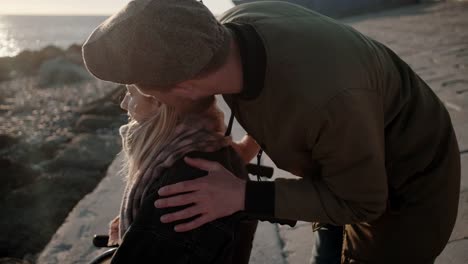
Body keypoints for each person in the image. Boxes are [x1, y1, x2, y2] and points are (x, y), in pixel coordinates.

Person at [82, 0, 461, 263]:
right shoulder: (231, 33)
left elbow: (363, 202)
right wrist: (242, 151)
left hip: (408, 181)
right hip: (347, 146)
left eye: (146, 91)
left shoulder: (323, 99)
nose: (132, 101)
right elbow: (273, 94)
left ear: (184, 89)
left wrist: (244, 195)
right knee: (329, 244)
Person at [107, 83, 258, 263]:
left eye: (131, 93)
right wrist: (141, 219)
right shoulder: (207, 145)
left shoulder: (183, 178)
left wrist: (132, 237)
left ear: (158, 101)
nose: (124, 103)